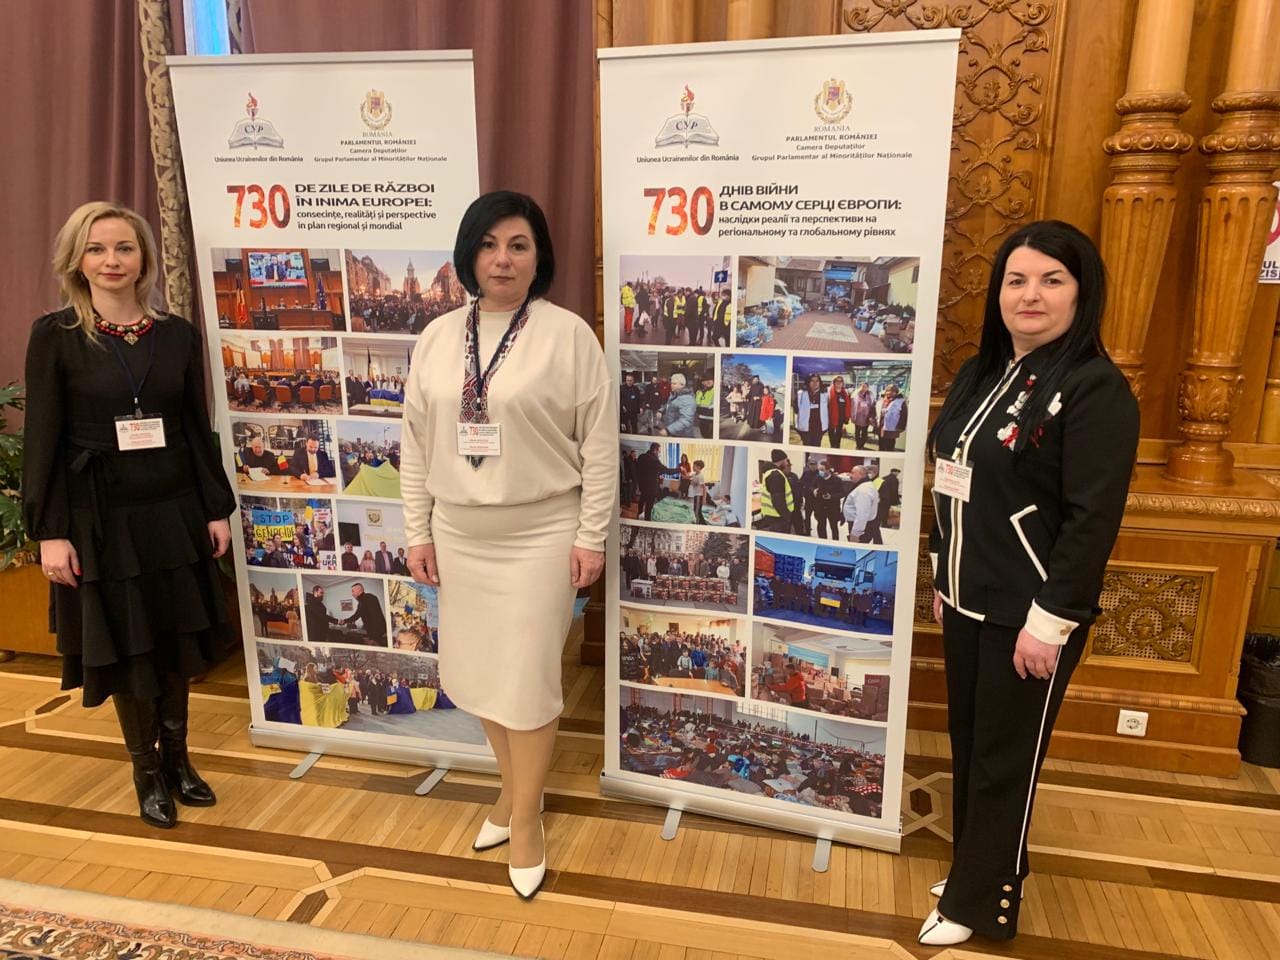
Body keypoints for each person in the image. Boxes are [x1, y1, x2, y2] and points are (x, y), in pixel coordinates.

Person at [918, 221, 1139, 947]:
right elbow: (953, 481)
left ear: (1082, 292)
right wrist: (943, 570)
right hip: (967, 599)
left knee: (1005, 762)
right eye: (1017, 280)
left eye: (1051, 280)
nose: (1031, 295)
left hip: (1029, 616)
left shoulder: (1095, 388)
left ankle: (983, 904)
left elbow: (1091, 521)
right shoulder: (983, 372)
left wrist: (1051, 621)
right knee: (971, 744)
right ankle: (977, 869)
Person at [400, 191, 616, 901]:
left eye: (518, 245)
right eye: (489, 244)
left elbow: (599, 449)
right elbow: (414, 444)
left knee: (526, 680)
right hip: (460, 535)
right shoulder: (438, 336)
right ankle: (513, 790)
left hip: (540, 534)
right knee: (482, 675)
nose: (502, 259)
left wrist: (590, 537)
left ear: (538, 256)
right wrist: (417, 530)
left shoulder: (568, 336)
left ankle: (526, 820)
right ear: (469, 254)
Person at [22, 202, 233, 829]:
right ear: (77, 261)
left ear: (144, 259)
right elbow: (42, 439)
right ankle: (147, 771)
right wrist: (50, 532)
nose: (111, 260)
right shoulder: (56, 335)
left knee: (174, 639)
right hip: (101, 520)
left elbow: (194, 428)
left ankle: (179, 760)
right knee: (133, 647)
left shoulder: (176, 335)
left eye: (124, 248)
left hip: (172, 513)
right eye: (97, 249)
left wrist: (214, 509)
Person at [757, 450, 798, 533]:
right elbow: (778, 500)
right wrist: (787, 516)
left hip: (774, 515)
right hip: (778, 517)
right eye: (786, 460)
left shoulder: (770, 473)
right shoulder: (776, 475)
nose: (787, 463)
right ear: (782, 460)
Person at [842, 466, 881, 543]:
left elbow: (862, 513)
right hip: (862, 524)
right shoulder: (865, 485)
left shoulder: (863, 490)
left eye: (853, 473)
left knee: (857, 547)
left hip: (861, 527)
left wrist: (855, 533)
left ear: (861, 474)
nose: (850, 475)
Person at [657, 373, 697, 437]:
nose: (671, 385)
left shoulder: (687, 398)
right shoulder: (674, 395)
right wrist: (661, 410)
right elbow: (668, 405)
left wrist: (668, 430)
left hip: (682, 435)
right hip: (674, 432)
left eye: (674, 383)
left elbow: (686, 420)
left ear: (682, 384)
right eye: (671, 383)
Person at [795, 374, 828, 447]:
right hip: (806, 427)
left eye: (817, 381)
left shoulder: (825, 394)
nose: (815, 383)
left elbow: (828, 409)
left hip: (819, 427)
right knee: (807, 447)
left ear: (820, 382)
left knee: (816, 447)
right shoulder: (801, 394)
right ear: (808, 382)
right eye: (812, 381)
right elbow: (796, 409)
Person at [827, 376, 853, 449]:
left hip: (841, 418)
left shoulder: (845, 393)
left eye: (840, 381)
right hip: (831, 417)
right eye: (837, 381)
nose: (839, 382)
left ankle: (837, 447)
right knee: (831, 433)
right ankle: (833, 447)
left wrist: (847, 417)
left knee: (839, 434)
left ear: (842, 383)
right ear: (834, 382)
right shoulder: (829, 391)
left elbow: (848, 405)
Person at [878, 384, 907, 451]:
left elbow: (904, 416)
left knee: (890, 446)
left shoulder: (901, 402)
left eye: (892, 391)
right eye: (887, 390)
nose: (889, 392)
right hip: (881, 427)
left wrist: (901, 427)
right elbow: (876, 411)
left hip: (892, 429)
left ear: (896, 392)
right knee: (881, 445)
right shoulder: (882, 400)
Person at [876, 467, 902, 534]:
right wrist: (896, 501)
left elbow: (878, 488)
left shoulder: (883, 478)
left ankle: (880, 523)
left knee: (882, 511)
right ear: (894, 472)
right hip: (889, 499)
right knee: (886, 512)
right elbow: (894, 491)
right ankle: (885, 524)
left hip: (882, 498)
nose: (897, 474)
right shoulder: (895, 480)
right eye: (897, 472)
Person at [852, 383, 876, 449]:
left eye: (865, 386)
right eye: (862, 386)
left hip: (867, 417)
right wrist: (852, 416)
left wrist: (872, 416)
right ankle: (858, 445)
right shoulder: (856, 394)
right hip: (858, 417)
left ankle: (862, 444)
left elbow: (873, 406)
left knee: (864, 432)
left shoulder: (871, 395)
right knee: (857, 432)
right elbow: (853, 406)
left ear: (868, 387)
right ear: (860, 387)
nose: (864, 388)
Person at [694, 370, 715, 439]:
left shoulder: (715, 390)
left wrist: (701, 409)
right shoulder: (698, 392)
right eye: (706, 380)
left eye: (710, 379)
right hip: (701, 420)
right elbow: (695, 405)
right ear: (702, 382)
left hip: (711, 421)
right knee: (704, 436)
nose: (708, 381)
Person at [688, 459, 709, 526]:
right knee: (696, 510)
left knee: (697, 511)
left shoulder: (700, 476)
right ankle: (702, 523)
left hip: (699, 496)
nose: (692, 467)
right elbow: (687, 476)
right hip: (696, 495)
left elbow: (704, 488)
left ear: (699, 467)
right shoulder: (695, 474)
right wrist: (683, 471)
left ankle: (699, 524)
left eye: (694, 466)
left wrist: (704, 498)